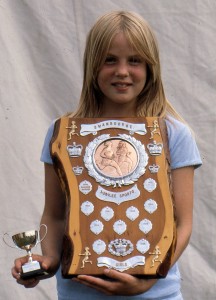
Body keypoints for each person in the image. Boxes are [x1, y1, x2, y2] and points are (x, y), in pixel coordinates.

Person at [11, 10, 202, 299]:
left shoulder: (174, 133)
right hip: (80, 292)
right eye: (110, 59)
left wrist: (149, 280)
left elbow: (181, 222)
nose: (122, 71)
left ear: (151, 67)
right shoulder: (62, 133)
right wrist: (46, 262)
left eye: (134, 61)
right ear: (92, 65)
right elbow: (54, 214)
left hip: (155, 294)